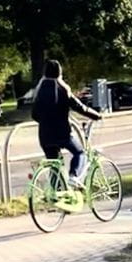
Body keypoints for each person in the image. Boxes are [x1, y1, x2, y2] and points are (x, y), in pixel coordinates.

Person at [31, 60, 102, 188]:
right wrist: (96, 115)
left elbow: (34, 115)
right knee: (80, 152)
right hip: (62, 133)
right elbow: (80, 107)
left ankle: (56, 194)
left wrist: (46, 121)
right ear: (60, 73)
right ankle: (74, 177)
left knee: (54, 163)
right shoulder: (62, 89)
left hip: (45, 135)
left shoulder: (39, 91)